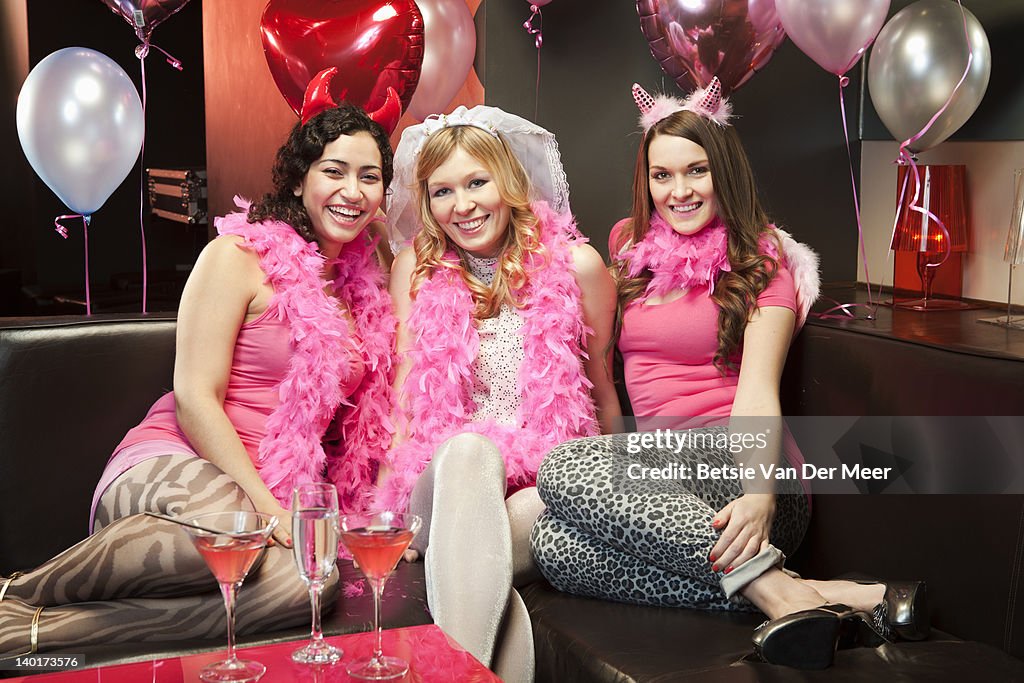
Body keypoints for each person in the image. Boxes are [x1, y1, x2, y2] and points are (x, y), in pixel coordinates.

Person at [530, 80, 928, 670]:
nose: (679, 191)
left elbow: (758, 391)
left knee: (563, 466)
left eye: (696, 171)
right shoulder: (626, 243)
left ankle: (777, 587)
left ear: (725, 172)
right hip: (663, 485)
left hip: (746, 473)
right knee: (553, 549)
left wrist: (761, 496)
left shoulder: (764, 261)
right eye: (662, 175)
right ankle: (822, 598)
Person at [0, 69, 397, 657]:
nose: (353, 191)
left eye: (370, 178)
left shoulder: (363, 289)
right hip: (176, 464)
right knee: (233, 534)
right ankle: (21, 586)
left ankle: (36, 631)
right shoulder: (235, 258)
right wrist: (270, 512)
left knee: (304, 588)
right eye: (333, 171)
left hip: (275, 492)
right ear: (297, 181)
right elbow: (194, 399)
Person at [374, 105, 621, 682]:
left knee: (533, 517)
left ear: (508, 182)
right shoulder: (415, 267)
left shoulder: (579, 267)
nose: (462, 205)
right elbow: (405, 399)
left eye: (477, 182)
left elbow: (601, 389)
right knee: (469, 451)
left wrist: (608, 482)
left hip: (534, 485)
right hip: (443, 479)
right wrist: (388, 506)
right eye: (442, 192)